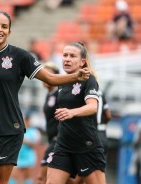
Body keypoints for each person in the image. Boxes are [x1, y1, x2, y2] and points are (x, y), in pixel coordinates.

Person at [0, 10, 90, 184]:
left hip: (9, 130)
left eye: (4, 26)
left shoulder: (20, 56)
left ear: (9, 32)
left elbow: (51, 78)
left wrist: (75, 76)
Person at [46, 42, 106, 184]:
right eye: (65, 55)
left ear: (82, 62)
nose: (67, 59)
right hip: (63, 145)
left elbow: (92, 107)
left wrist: (71, 112)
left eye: (72, 56)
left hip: (86, 145)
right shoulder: (63, 81)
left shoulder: (88, 79)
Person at [36, 62, 60, 184]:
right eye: (43, 74)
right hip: (52, 140)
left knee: (42, 177)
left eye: (48, 74)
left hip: (58, 141)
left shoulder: (60, 94)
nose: (44, 77)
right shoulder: (48, 95)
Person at [9, 112, 41, 184]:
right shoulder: (18, 130)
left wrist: (23, 140)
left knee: (27, 176)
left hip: (28, 158)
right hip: (17, 157)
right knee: (13, 175)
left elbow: (35, 145)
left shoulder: (34, 131)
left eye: (26, 119)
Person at [97, 90, 112, 155]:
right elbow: (108, 116)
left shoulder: (83, 91)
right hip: (101, 133)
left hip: (88, 133)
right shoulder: (100, 93)